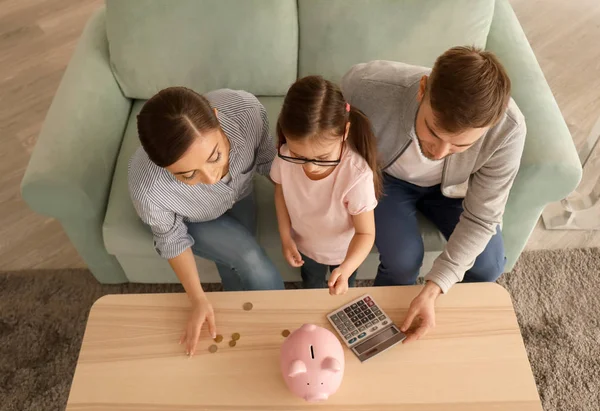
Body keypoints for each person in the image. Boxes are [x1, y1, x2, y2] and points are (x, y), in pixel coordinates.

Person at [341, 46, 526, 342]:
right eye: (433, 131)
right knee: (403, 261)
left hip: (455, 191)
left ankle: (441, 325)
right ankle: (380, 327)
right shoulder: (366, 85)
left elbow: (482, 218)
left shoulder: (508, 131)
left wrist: (435, 286)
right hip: (387, 181)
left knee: (489, 265)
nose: (439, 153)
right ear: (422, 89)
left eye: (459, 146)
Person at [129, 87, 284, 357]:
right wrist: (198, 298)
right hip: (190, 218)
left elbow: (269, 162)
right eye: (188, 175)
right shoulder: (149, 188)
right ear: (162, 166)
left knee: (235, 262)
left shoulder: (246, 111)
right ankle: (282, 326)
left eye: (215, 157)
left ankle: (240, 318)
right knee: (248, 256)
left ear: (216, 117)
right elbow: (172, 239)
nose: (212, 179)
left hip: (240, 195)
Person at [271, 75, 380, 295]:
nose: (310, 167)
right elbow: (280, 193)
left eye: (322, 157)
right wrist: (285, 237)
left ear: (345, 133)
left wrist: (346, 269)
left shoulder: (356, 175)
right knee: (312, 288)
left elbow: (366, 234)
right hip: (305, 248)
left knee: (338, 292)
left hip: (345, 253)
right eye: (298, 155)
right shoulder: (283, 157)